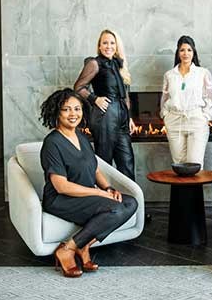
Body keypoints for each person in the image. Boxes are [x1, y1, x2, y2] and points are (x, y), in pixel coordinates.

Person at [40, 88, 138, 278]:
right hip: (61, 199)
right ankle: (66, 250)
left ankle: (81, 245)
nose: (73, 114)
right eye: (66, 109)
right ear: (56, 112)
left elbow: (95, 170)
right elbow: (61, 186)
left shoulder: (82, 137)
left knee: (130, 203)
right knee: (114, 208)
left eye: (77, 109)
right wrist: (100, 194)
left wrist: (108, 188)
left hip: (86, 197)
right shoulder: (52, 143)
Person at [74, 29, 137, 181]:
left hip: (121, 115)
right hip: (105, 116)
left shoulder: (118, 64)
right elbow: (78, 87)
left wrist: (129, 118)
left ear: (116, 46)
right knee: (104, 160)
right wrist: (95, 99)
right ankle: (105, 201)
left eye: (112, 43)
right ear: (99, 46)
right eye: (105, 43)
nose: (108, 46)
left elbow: (125, 95)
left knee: (127, 162)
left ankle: (129, 202)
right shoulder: (94, 63)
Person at [160, 35, 212, 167]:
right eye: (182, 50)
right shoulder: (169, 75)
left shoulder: (202, 73)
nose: (186, 53)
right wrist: (166, 115)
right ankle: (180, 189)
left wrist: (205, 117)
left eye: (189, 50)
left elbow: (211, 99)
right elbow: (165, 99)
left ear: (194, 52)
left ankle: (195, 189)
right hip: (174, 122)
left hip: (196, 121)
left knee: (195, 164)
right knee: (178, 164)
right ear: (178, 52)